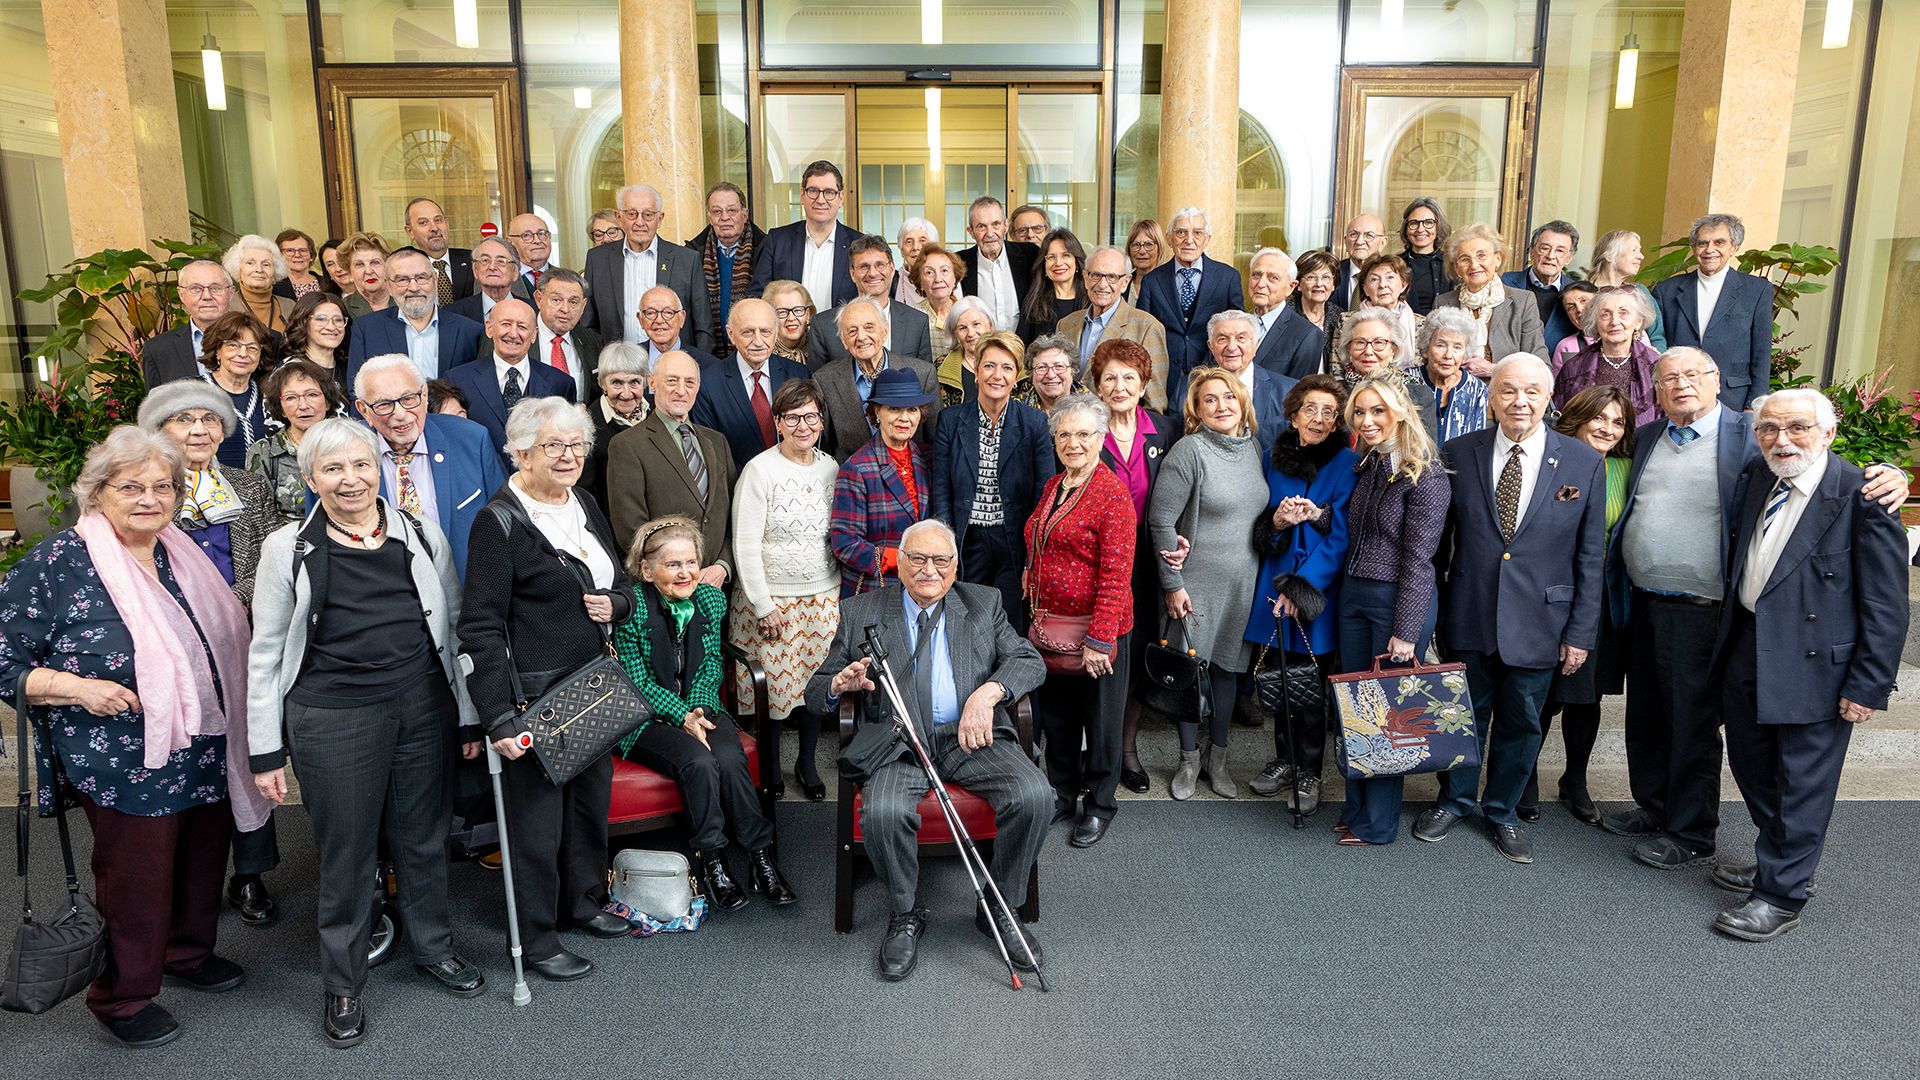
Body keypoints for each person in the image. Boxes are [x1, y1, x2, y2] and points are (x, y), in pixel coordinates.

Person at [0, 427, 268, 1048]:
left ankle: (187, 951)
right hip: (119, 751)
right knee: (137, 875)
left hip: (205, 738)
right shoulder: (58, 561)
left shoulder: (183, 551)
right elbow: (5, 659)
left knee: (203, 855)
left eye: (163, 486)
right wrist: (77, 688)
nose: (150, 498)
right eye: (132, 486)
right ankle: (122, 996)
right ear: (98, 492)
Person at [1602, 347, 1904, 869]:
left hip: (1709, 610)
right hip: (1645, 601)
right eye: (1668, 378)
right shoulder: (1650, 436)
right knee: (1647, 716)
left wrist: (1890, 474)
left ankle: (1690, 831)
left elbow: (1817, 469)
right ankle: (1652, 807)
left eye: (1693, 374)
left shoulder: (1752, 436)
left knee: (1691, 724)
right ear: (1654, 389)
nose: (1681, 385)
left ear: (1718, 380)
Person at [248, 417, 486, 1046]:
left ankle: (433, 947)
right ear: (309, 479)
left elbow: (453, 630)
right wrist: (265, 749)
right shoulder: (287, 548)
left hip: (422, 708)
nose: (351, 479)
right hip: (332, 718)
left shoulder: (421, 534)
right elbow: (266, 654)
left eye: (361, 464)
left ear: (378, 466)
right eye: (333, 469)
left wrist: (465, 714)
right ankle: (344, 982)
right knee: (348, 854)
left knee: (424, 837)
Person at [805, 519, 1051, 982]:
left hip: (969, 737)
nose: (929, 570)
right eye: (918, 558)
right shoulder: (861, 610)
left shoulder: (983, 603)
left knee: (1035, 795)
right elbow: (815, 690)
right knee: (881, 812)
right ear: (900, 563)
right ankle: (904, 912)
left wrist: (989, 692)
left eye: (941, 560)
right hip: (899, 743)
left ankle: (1000, 905)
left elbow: (1027, 659)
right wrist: (840, 685)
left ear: (955, 566)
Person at [1710, 389, 1907, 942]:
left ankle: (1780, 894)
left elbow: (1887, 604)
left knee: (1801, 781)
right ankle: (1784, 858)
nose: (1782, 440)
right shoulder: (1758, 477)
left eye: (1797, 427)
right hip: (1749, 644)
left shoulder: (1865, 495)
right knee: (1751, 765)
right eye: (1769, 429)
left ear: (1827, 432)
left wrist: (1868, 683)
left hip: (1819, 665)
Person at [459, 398, 637, 982]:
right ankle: (535, 937)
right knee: (536, 826)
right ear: (521, 452)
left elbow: (620, 584)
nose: (568, 456)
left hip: (593, 686)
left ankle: (583, 903)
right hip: (532, 698)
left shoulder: (584, 502)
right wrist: (497, 719)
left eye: (576, 445)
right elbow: (480, 626)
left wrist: (615, 603)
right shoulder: (500, 522)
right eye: (552, 446)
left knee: (589, 811)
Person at [1420, 354, 1607, 863]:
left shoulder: (1583, 460)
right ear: (1491, 396)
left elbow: (1591, 555)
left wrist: (1581, 632)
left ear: (1549, 398)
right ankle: (1455, 799)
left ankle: (1501, 809)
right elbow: (1437, 545)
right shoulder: (1458, 452)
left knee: (1522, 722)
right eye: (1507, 391)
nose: (1519, 401)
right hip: (1469, 611)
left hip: (1544, 620)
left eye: (1530, 391)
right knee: (1461, 716)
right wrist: (1428, 614)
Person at [143, 381, 289, 929]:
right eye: (184, 420)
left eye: (209, 419)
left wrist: (242, 606)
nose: (199, 430)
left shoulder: (247, 486)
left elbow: (265, 558)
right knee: (191, 758)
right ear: (159, 430)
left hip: (241, 641)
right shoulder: (149, 492)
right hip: (173, 645)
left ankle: (250, 875)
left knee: (250, 757)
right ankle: (186, 876)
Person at [614, 516, 794, 910]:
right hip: (645, 720)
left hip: (701, 707)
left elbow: (711, 663)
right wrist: (682, 716)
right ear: (647, 569)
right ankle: (712, 859)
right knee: (698, 760)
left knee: (729, 758)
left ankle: (760, 856)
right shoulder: (632, 608)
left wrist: (698, 708)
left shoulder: (710, 600)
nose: (685, 572)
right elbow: (637, 682)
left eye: (690, 562)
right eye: (672, 564)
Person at [1335, 373, 1450, 845]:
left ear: (1400, 411)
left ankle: (1378, 824)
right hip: (1355, 596)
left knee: (1386, 718)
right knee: (1357, 712)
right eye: (1359, 412)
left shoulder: (1425, 474)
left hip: (1395, 604)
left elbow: (1419, 560)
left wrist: (1405, 631)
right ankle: (1356, 808)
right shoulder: (1371, 464)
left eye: (1377, 410)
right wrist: (1313, 514)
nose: (1367, 420)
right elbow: (1361, 532)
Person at [1020, 392, 1137, 847]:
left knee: (1102, 724)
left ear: (1101, 437)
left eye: (1084, 434)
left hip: (1095, 632)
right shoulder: (1056, 485)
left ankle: (1100, 805)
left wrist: (1101, 639)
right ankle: (1063, 792)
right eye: (1064, 434)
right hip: (1052, 629)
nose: (1073, 442)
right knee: (1061, 719)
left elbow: (1116, 575)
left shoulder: (1112, 495)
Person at [1520, 385, 1637, 824]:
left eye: (1618, 422)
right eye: (1599, 418)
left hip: (1605, 597)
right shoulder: (1554, 458)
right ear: (1579, 417)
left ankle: (1576, 779)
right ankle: (1523, 774)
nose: (1607, 428)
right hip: (1550, 593)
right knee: (1545, 694)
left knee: (1587, 698)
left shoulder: (1628, 469)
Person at [1149, 366, 1265, 800]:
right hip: (1193, 583)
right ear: (1196, 410)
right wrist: (1172, 582)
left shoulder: (1253, 448)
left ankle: (1218, 759)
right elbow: (1160, 520)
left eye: (1228, 397)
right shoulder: (1188, 451)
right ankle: (1187, 760)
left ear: (1242, 404)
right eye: (1209, 399)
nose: (1221, 406)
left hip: (1242, 583)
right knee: (1188, 671)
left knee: (1228, 671)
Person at [1244, 374, 1359, 813]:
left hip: (1315, 590)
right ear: (1293, 415)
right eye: (1310, 409)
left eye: (1329, 412)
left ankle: (1310, 770)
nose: (1319, 418)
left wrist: (1301, 588)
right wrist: (1277, 523)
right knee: (1276, 677)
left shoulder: (1347, 464)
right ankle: (1283, 760)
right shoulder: (1274, 459)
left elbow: (1340, 536)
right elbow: (1260, 521)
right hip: (1272, 581)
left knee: (1309, 684)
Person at [728, 379, 842, 801]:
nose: (802, 425)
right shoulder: (760, 470)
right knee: (774, 693)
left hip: (821, 598)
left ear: (821, 421)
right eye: (792, 417)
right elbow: (744, 543)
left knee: (815, 687)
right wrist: (762, 604)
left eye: (810, 416)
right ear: (778, 422)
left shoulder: (831, 467)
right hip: (771, 600)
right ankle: (771, 766)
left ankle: (807, 763)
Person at [1092, 339, 1177, 793]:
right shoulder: (1086, 430)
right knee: (1102, 652)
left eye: (1129, 377)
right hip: (1099, 558)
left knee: (1139, 651)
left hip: (1148, 558)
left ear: (1144, 383)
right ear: (1097, 386)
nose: (1120, 386)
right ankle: (1095, 749)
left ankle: (1126, 748)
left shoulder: (1165, 430)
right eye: (1110, 378)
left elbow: (1182, 496)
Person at [930, 332, 1056, 628]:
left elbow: (1044, 495)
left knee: (1009, 623)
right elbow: (942, 490)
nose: (996, 375)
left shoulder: (1034, 423)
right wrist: (949, 547)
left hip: (1013, 539)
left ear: (1016, 377)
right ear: (976, 371)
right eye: (989, 366)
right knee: (967, 621)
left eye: (1007, 368)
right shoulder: (951, 420)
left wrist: (1032, 558)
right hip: (968, 538)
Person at [353, 354, 508, 580]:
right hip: (383, 599)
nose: (400, 414)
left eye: (408, 399)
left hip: (466, 594)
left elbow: (505, 522)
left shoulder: (471, 439)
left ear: (424, 395)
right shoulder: (343, 453)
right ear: (364, 410)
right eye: (384, 404)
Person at [604, 349, 735, 573]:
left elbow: (734, 514)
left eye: (690, 382)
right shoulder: (627, 445)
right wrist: (680, 571)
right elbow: (631, 530)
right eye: (672, 381)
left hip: (717, 584)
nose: (681, 391)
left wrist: (723, 565)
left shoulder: (717, 442)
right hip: (664, 588)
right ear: (652, 383)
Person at [1652, 213, 1772, 411]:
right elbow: (1658, 346)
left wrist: (1754, 405)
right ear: (1693, 248)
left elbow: (1761, 352)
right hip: (1678, 397)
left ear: (1734, 247)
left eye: (1719, 242)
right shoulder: (1666, 291)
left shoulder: (1756, 291)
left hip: (1733, 399)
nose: (1710, 250)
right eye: (1702, 243)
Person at [830, 368, 932, 596]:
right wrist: (903, 560)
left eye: (912, 409)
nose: (904, 418)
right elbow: (845, 542)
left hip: (924, 588)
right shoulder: (856, 468)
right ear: (877, 412)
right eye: (894, 408)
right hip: (877, 589)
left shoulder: (927, 459)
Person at [445, 297, 577, 471]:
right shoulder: (457, 380)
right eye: (506, 324)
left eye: (522, 327)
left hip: (540, 486)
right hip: (482, 486)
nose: (513, 333)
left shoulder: (560, 383)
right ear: (489, 328)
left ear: (534, 335)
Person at [1135, 207, 1245, 408]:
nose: (1189, 239)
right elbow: (1142, 333)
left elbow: (1237, 330)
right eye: (1181, 232)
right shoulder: (1152, 281)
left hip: (1213, 377)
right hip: (1164, 380)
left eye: (1197, 232)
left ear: (1207, 239)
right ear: (1169, 239)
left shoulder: (1228, 277)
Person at [583, 183, 714, 352]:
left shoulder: (687, 259)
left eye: (648, 215)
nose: (640, 222)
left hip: (674, 367)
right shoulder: (597, 259)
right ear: (619, 217)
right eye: (631, 214)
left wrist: (694, 368)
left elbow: (703, 326)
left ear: (660, 219)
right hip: (619, 369)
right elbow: (588, 324)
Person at [692, 297, 811, 477]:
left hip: (795, 483)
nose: (758, 341)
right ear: (731, 334)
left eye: (765, 331)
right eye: (748, 332)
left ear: (776, 332)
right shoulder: (708, 383)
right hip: (737, 487)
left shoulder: (799, 374)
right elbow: (711, 453)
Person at [817, 297, 942, 461]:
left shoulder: (923, 374)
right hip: (853, 480)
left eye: (869, 327)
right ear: (843, 341)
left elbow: (936, 442)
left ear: (885, 331)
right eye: (852, 331)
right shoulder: (825, 380)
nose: (861, 337)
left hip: (911, 477)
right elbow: (825, 450)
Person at [345, 247, 485, 386]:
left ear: (435, 280)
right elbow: (356, 390)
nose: (413, 287)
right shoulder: (367, 330)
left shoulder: (470, 331)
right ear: (388, 286)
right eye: (402, 280)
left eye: (421, 277)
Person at [1054, 245, 1171, 406]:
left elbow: (1155, 404)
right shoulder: (1065, 324)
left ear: (1125, 282)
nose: (1102, 284)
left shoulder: (1147, 327)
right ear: (1085, 278)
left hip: (1117, 428)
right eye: (1095, 275)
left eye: (1112, 277)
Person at [1168, 309, 1296, 452]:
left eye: (1241, 338)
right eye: (1222, 339)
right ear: (1211, 346)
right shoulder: (1186, 389)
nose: (1231, 347)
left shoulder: (1288, 391)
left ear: (1256, 344)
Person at [807, 234, 934, 369]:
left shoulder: (917, 321)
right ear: (852, 273)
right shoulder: (824, 325)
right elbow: (817, 386)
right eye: (864, 266)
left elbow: (924, 379)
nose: (873, 273)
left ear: (891, 269)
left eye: (880, 265)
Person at [1434, 223, 1548, 372]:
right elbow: (1434, 359)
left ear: (1497, 259)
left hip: (1506, 389)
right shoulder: (1443, 303)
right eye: (1464, 259)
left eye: (1481, 255)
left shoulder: (1523, 302)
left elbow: (1541, 365)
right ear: (1456, 268)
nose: (1474, 265)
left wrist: (1494, 370)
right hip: (1455, 389)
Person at [750, 160, 861, 312]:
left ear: (840, 198)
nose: (820, 200)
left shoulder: (858, 245)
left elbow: (871, 295)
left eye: (829, 192)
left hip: (839, 334)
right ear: (802, 195)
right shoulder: (777, 240)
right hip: (786, 334)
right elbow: (757, 297)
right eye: (813, 191)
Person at [249, 359, 345, 524]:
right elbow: (259, 519)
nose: (303, 405)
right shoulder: (264, 451)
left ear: (327, 401)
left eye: (312, 395)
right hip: (287, 543)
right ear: (281, 408)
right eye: (291, 398)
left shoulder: (348, 444)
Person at [1554, 284, 1661, 427]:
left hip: (1642, 445)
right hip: (1587, 447)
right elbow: (1562, 419)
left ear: (1638, 321)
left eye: (1623, 313)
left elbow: (1665, 417)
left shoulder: (1656, 365)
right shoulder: (1573, 367)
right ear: (1595, 322)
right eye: (1605, 314)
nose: (1614, 321)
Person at [1333, 305, 1439, 444]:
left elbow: (1425, 452)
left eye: (1379, 343)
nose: (1369, 351)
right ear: (1349, 348)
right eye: (1360, 343)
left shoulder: (1417, 395)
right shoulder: (1335, 394)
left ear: (1393, 350)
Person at [687, 181, 765, 357]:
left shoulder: (766, 249)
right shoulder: (692, 253)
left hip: (754, 349)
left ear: (744, 215)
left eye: (732, 210)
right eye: (717, 211)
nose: (724, 217)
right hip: (706, 353)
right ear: (709, 217)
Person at [196, 311, 272, 470]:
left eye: (252, 348)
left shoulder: (268, 395)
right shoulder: (192, 391)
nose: (243, 354)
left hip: (262, 490)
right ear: (217, 350)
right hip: (213, 489)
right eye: (233, 345)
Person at [143, 260, 238, 387]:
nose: (206, 296)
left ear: (231, 293)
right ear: (181, 295)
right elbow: (156, 405)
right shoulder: (158, 350)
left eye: (215, 288)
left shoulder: (264, 342)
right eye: (196, 289)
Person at [580, 341, 651, 510]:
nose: (626, 394)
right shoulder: (588, 424)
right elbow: (587, 492)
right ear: (603, 383)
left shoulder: (657, 412)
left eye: (634, 382)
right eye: (617, 383)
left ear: (646, 382)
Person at [959, 196, 1039, 332]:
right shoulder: (959, 263)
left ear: (1006, 226)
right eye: (981, 227)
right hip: (980, 349)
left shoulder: (1030, 255)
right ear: (971, 232)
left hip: (1025, 348)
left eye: (996, 224)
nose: (990, 233)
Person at [1245, 248, 1326, 381]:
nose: (1261, 283)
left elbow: (1297, 393)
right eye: (1256, 275)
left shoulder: (1306, 335)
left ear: (1291, 287)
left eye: (1273, 278)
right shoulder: (1235, 323)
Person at [1500, 220, 1581, 348]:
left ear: (1569, 258)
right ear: (1532, 251)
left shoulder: (1577, 295)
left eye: (1560, 251)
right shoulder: (1503, 283)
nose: (1551, 256)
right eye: (1544, 248)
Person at [1417, 307, 1491, 444]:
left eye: (1457, 347)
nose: (1448, 355)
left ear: (1465, 354)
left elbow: (1476, 442)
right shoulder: (1406, 380)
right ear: (1426, 349)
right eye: (1441, 345)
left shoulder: (1477, 389)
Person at [1586, 228, 1667, 350]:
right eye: (1634, 250)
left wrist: (1656, 356)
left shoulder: (1639, 291)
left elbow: (1657, 337)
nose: (1641, 256)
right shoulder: (1581, 293)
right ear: (1609, 256)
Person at [532, 267, 603, 403]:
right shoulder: (518, 336)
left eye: (573, 302)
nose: (565, 309)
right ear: (539, 299)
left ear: (583, 306)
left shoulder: (593, 342)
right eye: (556, 300)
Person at [1017, 227, 1089, 343]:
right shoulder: (1033, 302)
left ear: (1076, 261)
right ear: (1044, 265)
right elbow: (1021, 347)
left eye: (1066, 255)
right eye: (1051, 257)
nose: (1058, 263)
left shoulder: (1092, 301)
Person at [445, 237, 530, 332]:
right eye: (485, 260)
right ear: (475, 271)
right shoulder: (453, 314)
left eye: (501, 261)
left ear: (515, 272)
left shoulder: (534, 311)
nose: (492, 267)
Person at [1344, 252, 1422, 352]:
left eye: (1390, 277)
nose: (1382, 285)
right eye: (1374, 279)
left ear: (1403, 285)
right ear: (1365, 289)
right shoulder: (1346, 321)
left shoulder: (1420, 324)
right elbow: (1338, 365)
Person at [402, 196, 474, 301]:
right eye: (423, 222)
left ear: (447, 224)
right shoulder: (403, 269)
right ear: (410, 231)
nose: (434, 228)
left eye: (438, 220)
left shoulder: (473, 261)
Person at [281, 291, 351, 394]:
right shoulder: (288, 371)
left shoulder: (350, 368)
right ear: (303, 322)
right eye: (321, 319)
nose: (331, 327)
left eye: (338, 320)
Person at [224, 234, 293, 336]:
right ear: (238, 268)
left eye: (266, 264)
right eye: (250, 263)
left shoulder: (290, 306)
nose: (259, 270)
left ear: (275, 271)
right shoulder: (226, 306)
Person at [1289, 250, 1345, 375]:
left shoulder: (1340, 317)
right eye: (1311, 277)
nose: (1319, 284)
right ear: (1298, 285)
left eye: (1326, 277)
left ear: (1333, 285)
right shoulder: (1285, 316)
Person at [935, 296, 995, 408]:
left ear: (990, 326)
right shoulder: (941, 366)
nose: (971, 333)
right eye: (962, 328)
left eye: (976, 324)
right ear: (955, 334)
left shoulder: (1011, 361)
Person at [909, 243, 965, 360]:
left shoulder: (968, 312)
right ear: (920, 282)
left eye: (944, 270)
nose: (938, 279)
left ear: (955, 277)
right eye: (929, 272)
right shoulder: (912, 317)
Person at [1399, 198, 1453, 315]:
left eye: (1428, 222)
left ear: (1438, 227)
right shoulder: (1394, 264)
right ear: (1406, 229)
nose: (1420, 229)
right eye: (1414, 223)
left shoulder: (1452, 264)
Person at [1015, 334, 1086, 413]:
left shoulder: (1092, 411)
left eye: (1059, 366)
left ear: (1072, 371)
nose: (1051, 375)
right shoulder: (1014, 411)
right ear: (1031, 374)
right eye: (1042, 367)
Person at [1333, 214, 1389, 309]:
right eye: (1354, 234)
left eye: (1369, 235)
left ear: (1382, 243)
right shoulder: (1332, 273)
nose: (1359, 241)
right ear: (1346, 241)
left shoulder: (1396, 277)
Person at [336, 231, 392, 320]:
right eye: (359, 264)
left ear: (388, 267)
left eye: (375, 262)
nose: (368, 271)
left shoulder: (404, 301)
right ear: (350, 273)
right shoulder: (342, 309)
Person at [766, 278, 816, 366]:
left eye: (797, 310)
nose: (791, 318)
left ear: (807, 315)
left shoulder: (819, 347)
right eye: (782, 312)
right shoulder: (762, 351)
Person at [506, 211, 559, 291]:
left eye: (541, 234)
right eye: (526, 235)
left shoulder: (567, 279)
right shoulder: (502, 280)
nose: (537, 241)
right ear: (510, 242)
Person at [1550, 280, 1600, 364]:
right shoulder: (1567, 347)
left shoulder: (1620, 336)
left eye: (1584, 301)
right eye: (1571, 307)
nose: (1579, 309)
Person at [893, 217, 940, 307]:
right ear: (902, 251)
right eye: (909, 242)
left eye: (922, 241)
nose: (915, 247)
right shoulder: (891, 282)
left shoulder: (947, 279)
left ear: (933, 248)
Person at [274, 228, 328, 300]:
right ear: (279, 255)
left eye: (303, 250)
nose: (297, 255)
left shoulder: (326, 283)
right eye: (290, 250)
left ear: (311, 256)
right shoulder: (274, 286)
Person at [1123, 218, 1167, 307]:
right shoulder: (1121, 284)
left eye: (1149, 244)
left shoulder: (1170, 286)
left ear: (1160, 248)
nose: (1142, 251)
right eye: (1136, 245)